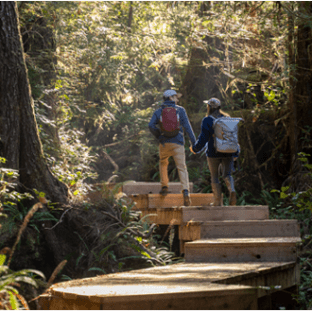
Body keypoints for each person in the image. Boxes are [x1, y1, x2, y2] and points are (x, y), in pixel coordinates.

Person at [149, 89, 196, 206]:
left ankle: (164, 186)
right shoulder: (180, 110)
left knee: (163, 163)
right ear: (170, 98)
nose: (177, 99)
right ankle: (185, 191)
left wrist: (159, 136)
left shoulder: (159, 111)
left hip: (164, 143)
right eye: (176, 97)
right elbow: (188, 128)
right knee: (181, 167)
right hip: (178, 143)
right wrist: (194, 143)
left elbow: (151, 125)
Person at [190, 98, 238, 206]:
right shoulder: (227, 118)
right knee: (227, 174)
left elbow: (203, 138)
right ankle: (232, 190)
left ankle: (217, 201)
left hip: (213, 152)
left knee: (215, 176)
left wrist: (195, 149)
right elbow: (233, 138)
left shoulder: (207, 120)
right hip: (228, 151)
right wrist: (235, 153)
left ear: (209, 108)